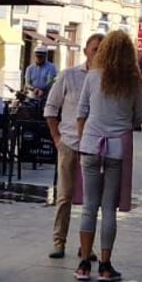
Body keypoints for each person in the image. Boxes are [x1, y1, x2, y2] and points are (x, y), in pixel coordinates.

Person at [74, 31, 142, 282]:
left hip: (91, 145)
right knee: (109, 209)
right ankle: (105, 265)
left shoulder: (92, 76)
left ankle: (83, 263)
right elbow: (138, 117)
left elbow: (82, 112)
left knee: (88, 206)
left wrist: (86, 139)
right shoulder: (134, 81)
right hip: (117, 148)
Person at [45, 33, 102, 259]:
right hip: (69, 142)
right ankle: (59, 241)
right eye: (95, 48)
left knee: (92, 199)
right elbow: (50, 109)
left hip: (95, 144)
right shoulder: (68, 76)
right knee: (65, 195)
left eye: (102, 49)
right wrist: (57, 139)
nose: (98, 53)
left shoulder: (105, 79)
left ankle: (86, 246)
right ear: (86, 50)